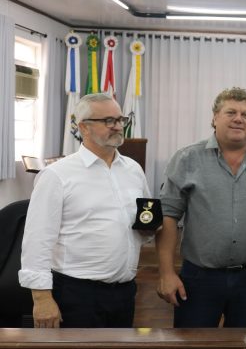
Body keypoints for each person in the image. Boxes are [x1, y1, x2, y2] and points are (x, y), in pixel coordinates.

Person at [156, 87, 246, 332]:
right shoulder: (187, 159)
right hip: (199, 278)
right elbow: (169, 216)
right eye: (231, 112)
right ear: (214, 118)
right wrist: (166, 272)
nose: (238, 118)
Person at [19, 93, 151, 328]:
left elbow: (143, 222)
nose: (118, 126)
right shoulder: (57, 175)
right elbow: (37, 240)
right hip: (77, 295)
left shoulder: (133, 170)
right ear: (84, 127)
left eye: (121, 120)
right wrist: (41, 298)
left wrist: (150, 226)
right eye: (109, 121)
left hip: (125, 292)